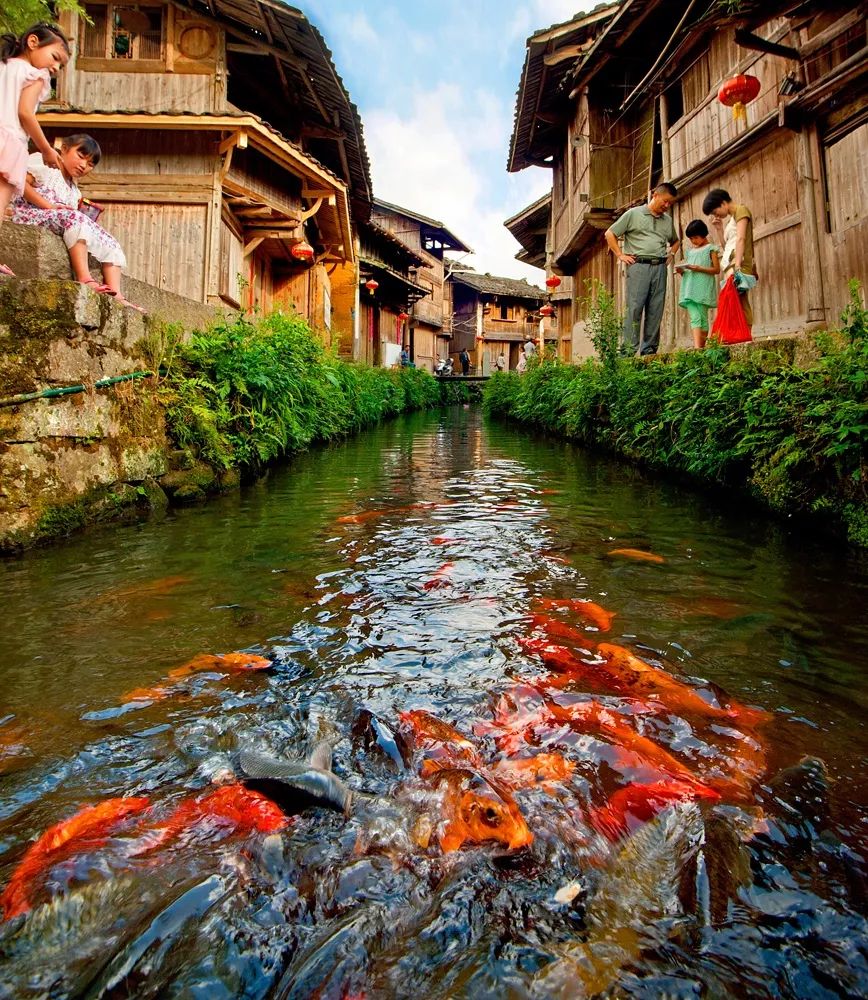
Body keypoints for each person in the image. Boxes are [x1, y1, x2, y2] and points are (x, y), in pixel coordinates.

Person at [13, 134, 142, 311]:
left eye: (90, 164)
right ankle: (84, 278)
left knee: (109, 240)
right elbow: (21, 184)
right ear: (64, 149)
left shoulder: (75, 191)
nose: (84, 165)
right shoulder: (45, 164)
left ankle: (116, 293)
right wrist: (49, 205)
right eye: (81, 157)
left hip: (56, 219)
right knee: (77, 218)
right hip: (28, 213)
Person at [0, 22, 70, 277]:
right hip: (8, 142)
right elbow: (25, 114)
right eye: (55, 58)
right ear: (32, 43)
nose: (55, 68)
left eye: (60, 65)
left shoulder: (3, 66)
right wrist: (47, 150)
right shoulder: (34, 75)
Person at [605, 182, 680, 356]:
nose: (667, 206)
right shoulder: (633, 214)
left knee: (656, 309)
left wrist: (672, 254)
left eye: (670, 203)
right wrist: (620, 254)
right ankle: (628, 352)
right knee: (635, 308)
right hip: (638, 266)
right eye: (665, 201)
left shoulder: (667, 221)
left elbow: (676, 241)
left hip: (660, 267)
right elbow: (610, 233)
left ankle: (649, 351)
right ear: (655, 195)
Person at [702, 187, 756, 330]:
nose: (716, 215)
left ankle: (746, 334)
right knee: (733, 301)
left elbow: (742, 239)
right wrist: (719, 229)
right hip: (729, 264)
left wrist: (738, 265)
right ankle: (739, 334)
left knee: (740, 300)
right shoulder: (731, 220)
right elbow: (727, 246)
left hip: (738, 263)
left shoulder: (741, 210)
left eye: (715, 211)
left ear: (723, 203)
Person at [676, 220, 720, 349]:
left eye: (695, 237)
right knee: (695, 317)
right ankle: (697, 348)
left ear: (703, 234)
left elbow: (716, 270)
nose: (693, 241)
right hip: (689, 288)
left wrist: (698, 268)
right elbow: (688, 271)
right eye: (691, 239)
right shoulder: (690, 252)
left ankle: (701, 347)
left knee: (703, 319)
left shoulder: (711, 249)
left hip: (703, 288)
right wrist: (681, 271)